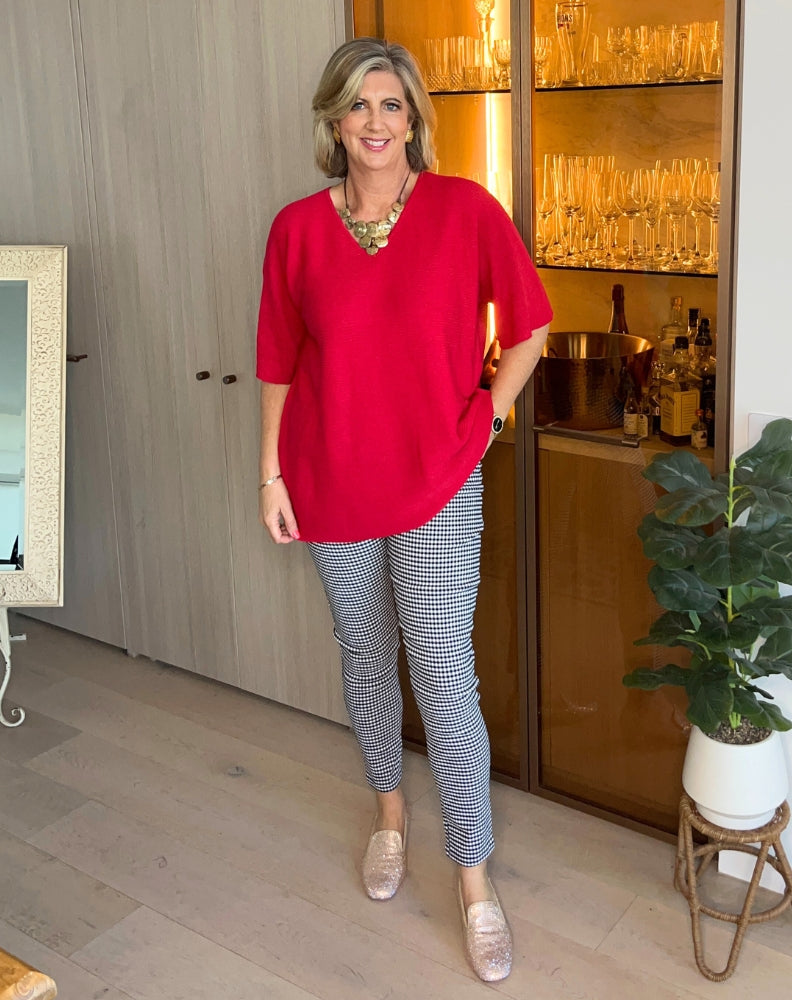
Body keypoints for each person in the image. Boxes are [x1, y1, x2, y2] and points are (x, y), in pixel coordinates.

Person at [256, 36, 551, 982]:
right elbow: (278, 360)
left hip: (437, 481)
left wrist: (487, 416)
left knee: (443, 669)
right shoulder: (297, 229)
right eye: (358, 105)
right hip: (329, 479)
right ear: (334, 121)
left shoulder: (464, 210)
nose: (376, 122)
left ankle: (473, 878)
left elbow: (531, 325)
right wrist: (270, 473)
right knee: (364, 654)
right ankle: (390, 816)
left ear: (414, 118)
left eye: (391, 104)